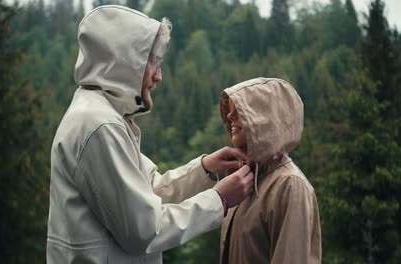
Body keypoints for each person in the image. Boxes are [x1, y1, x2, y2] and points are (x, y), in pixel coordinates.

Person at [46, 5, 254, 264]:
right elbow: (145, 231)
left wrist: (204, 170)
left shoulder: (104, 117)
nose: (159, 76)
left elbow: (148, 192)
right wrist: (219, 200)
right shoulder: (99, 126)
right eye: (153, 62)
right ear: (124, 62)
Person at [218, 78, 322, 263]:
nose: (230, 116)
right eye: (230, 110)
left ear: (265, 118)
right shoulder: (243, 182)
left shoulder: (289, 186)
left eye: (239, 111)